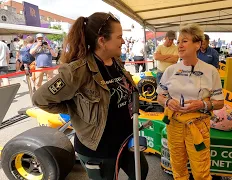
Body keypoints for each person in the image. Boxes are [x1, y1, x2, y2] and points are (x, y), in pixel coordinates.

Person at [32, 12, 149, 180]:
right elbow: (40, 99)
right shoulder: (77, 71)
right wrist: (75, 109)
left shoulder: (115, 61)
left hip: (126, 139)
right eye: (119, 37)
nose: (123, 41)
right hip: (99, 149)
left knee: (141, 172)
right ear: (102, 41)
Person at [157, 23, 224, 180]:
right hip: (175, 124)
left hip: (198, 125)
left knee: (201, 171)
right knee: (178, 168)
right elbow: (160, 96)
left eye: (184, 41)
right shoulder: (170, 70)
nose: (179, 45)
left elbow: (219, 102)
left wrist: (202, 104)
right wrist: (167, 102)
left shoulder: (210, 71)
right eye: (179, 41)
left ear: (198, 44)